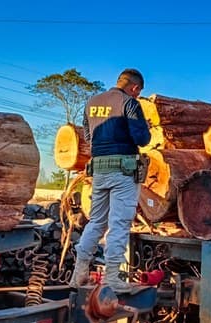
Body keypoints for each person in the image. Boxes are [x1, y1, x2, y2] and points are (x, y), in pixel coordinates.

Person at [71, 68, 151, 293]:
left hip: (99, 169)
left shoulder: (91, 102)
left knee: (96, 221)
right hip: (123, 170)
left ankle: (79, 273)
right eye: (138, 92)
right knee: (119, 223)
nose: (137, 96)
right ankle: (112, 277)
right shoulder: (129, 103)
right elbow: (142, 138)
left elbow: (88, 136)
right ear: (134, 88)